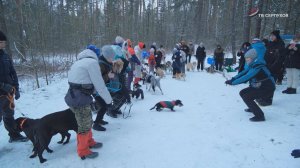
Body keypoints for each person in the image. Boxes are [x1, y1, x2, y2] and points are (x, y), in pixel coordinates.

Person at [64, 45, 112, 159]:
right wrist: (109, 101)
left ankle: (89, 141)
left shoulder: (78, 62)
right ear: (95, 54)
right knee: (84, 125)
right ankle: (83, 150)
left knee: (87, 120)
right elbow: (100, 85)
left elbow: (83, 81)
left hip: (73, 96)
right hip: (80, 99)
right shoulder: (92, 63)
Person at [225, 49, 275, 121]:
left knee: (247, 97)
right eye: (246, 58)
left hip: (267, 88)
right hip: (259, 86)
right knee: (242, 92)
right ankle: (252, 108)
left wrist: (233, 83)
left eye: (248, 58)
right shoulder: (252, 65)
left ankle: (260, 116)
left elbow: (246, 77)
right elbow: (244, 72)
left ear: (253, 58)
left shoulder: (258, 67)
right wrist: (233, 79)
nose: (246, 60)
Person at [0, 31, 28, 143]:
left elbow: (13, 72)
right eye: (2, 42)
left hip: (8, 94)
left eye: (4, 42)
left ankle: (14, 135)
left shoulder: (5, 56)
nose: (4, 44)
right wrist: (2, 85)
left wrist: (16, 88)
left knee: (9, 115)